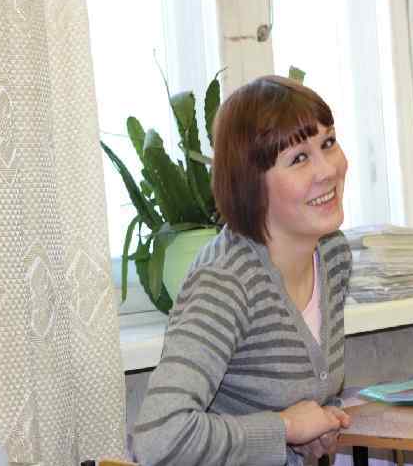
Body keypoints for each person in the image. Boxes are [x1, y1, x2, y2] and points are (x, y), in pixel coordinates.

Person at [133, 75, 352, 466]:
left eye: (328, 143)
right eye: (299, 158)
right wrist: (285, 428)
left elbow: (303, 396)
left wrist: (317, 426)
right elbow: (158, 439)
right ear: (251, 184)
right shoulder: (226, 281)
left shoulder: (333, 254)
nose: (327, 170)